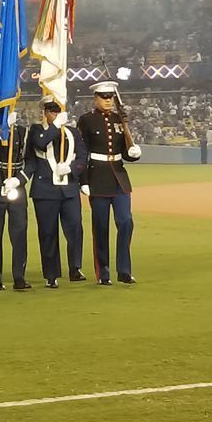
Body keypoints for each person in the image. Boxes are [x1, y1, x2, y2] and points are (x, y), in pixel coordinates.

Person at [77, 81, 141, 286]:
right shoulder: (87, 120)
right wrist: (83, 180)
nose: (107, 101)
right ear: (95, 98)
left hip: (119, 179)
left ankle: (124, 270)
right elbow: (82, 153)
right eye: (103, 97)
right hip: (98, 178)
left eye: (110, 97)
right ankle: (103, 272)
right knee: (101, 227)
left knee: (125, 222)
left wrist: (133, 154)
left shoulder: (119, 119)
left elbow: (124, 150)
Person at [25, 100, 86, 288]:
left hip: (68, 189)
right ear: (44, 113)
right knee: (48, 233)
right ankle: (51, 274)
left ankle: (75, 268)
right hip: (45, 191)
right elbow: (42, 143)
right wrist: (55, 126)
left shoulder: (73, 133)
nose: (55, 114)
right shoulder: (37, 130)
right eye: (51, 111)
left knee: (75, 228)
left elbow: (83, 156)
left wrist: (72, 168)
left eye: (58, 111)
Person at [0, 110, 31, 291]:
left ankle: (19, 276)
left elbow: (30, 160)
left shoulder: (23, 132)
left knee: (19, 233)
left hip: (16, 182)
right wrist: (1, 130)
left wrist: (20, 179)